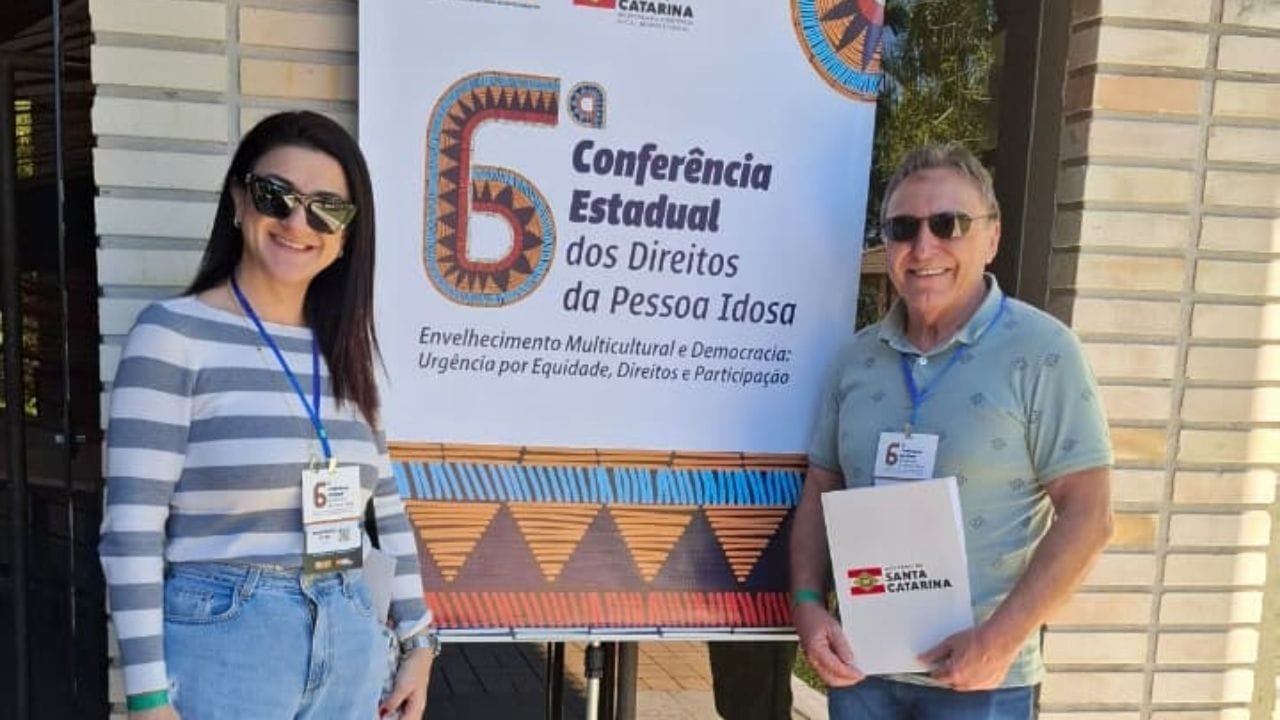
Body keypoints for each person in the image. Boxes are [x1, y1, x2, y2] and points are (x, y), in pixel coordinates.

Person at [99, 111, 437, 719]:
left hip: (351, 637)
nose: (298, 222)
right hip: (228, 644)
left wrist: (419, 643)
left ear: (347, 234)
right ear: (238, 200)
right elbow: (133, 529)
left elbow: (385, 506)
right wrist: (148, 697)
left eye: (327, 208)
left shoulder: (348, 351)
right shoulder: (173, 337)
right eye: (275, 195)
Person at [789, 142, 1113, 719]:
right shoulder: (855, 360)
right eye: (903, 228)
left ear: (991, 237)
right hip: (862, 673)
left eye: (949, 224)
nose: (923, 246)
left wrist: (1001, 641)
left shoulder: (1043, 352)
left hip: (979, 682)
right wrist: (809, 605)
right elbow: (820, 489)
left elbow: (1089, 515)